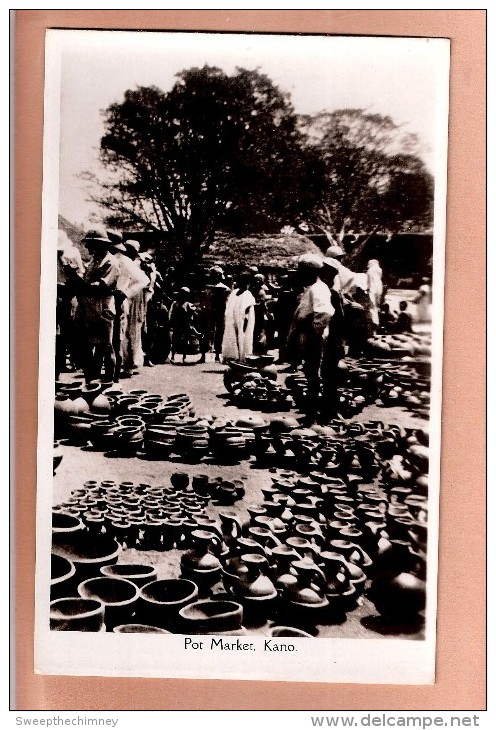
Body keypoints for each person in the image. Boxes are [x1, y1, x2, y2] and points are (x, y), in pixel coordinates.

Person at [63, 228, 120, 384]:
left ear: (100, 244)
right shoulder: (94, 260)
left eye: (90, 244)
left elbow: (97, 289)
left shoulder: (111, 262)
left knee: (105, 347)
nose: (87, 248)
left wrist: (74, 278)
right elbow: (85, 285)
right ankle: (91, 381)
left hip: (102, 308)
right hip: (87, 308)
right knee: (85, 347)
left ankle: (108, 382)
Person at [286, 253, 334, 422]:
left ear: (310, 272)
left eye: (301, 271)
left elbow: (324, 313)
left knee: (314, 373)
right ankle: (312, 410)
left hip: (316, 337)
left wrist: (312, 331)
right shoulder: (311, 288)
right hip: (309, 336)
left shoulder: (319, 288)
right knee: (310, 372)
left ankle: (315, 412)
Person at [108, 233, 150, 382]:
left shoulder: (124, 261)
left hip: (118, 303)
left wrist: (126, 292)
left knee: (121, 338)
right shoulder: (102, 259)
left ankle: (123, 369)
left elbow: (144, 280)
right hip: (104, 304)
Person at [56, 230, 85, 377]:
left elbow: (81, 272)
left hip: (68, 293)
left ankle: (72, 361)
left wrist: (65, 263)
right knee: (54, 331)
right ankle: (58, 363)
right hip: (52, 292)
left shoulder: (72, 252)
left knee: (69, 329)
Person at [320, 260, 346, 422]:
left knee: (330, 376)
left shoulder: (332, 293)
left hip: (332, 341)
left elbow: (340, 319)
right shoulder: (328, 291)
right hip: (330, 340)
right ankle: (328, 408)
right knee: (326, 375)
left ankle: (331, 409)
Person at [120, 240, 150, 377]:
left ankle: (130, 363)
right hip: (129, 299)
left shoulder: (137, 265)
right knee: (127, 332)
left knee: (132, 332)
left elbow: (147, 284)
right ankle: (127, 361)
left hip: (136, 299)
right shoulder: (129, 263)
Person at [221, 272, 256, 362]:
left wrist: (245, 324)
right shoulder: (234, 293)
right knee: (231, 337)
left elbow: (248, 312)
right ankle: (232, 357)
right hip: (232, 320)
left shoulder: (248, 295)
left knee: (242, 338)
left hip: (242, 321)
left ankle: (242, 359)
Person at [169, 287, 201, 363]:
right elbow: (172, 313)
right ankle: (173, 356)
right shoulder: (175, 303)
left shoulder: (188, 304)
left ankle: (184, 357)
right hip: (177, 324)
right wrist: (171, 322)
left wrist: (193, 312)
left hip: (185, 324)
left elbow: (195, 314)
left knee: (185, 341)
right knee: (175, 341)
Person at [366, 259, 383, 332]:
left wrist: (367, 288)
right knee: (376, 305)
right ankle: (377, 322)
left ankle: (374, 323)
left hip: (373, 288)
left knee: (372, 307)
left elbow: (368, 281)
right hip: (379, 288)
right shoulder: (379, 270)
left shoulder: (370, 271)